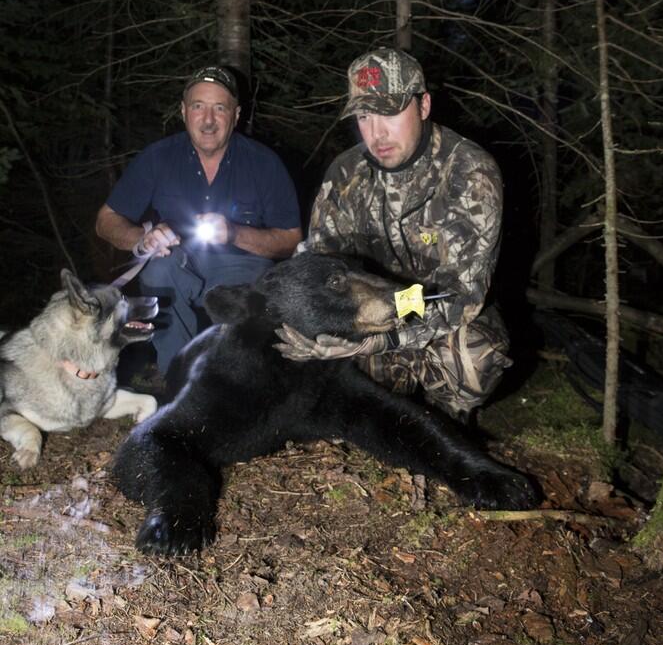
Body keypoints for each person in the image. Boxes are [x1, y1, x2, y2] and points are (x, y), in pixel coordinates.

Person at [275, 47, 511, 423]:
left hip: (443, 320)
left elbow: (461, 294)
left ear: (424, 105)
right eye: (365, 116)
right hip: (373, 315)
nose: (377, 133)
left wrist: (382, 337)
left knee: (472, 356)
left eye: (390, 113)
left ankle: (447, 422)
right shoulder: (344, 175)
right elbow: (316, 270)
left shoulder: (470, 171)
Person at [96, 64, 302, 373]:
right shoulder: (158, 157)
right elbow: (106, 221)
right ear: (183, 111)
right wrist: (142, 238)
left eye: (220, 108)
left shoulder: (264, 163)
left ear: (236, 115)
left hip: (243, 266)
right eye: (198, 107)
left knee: (261, 296)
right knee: (159, 269)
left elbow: (291, 240)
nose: (208, 120)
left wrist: (234, 233)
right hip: (179, 263)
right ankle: (178, 380)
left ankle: (244, 380)